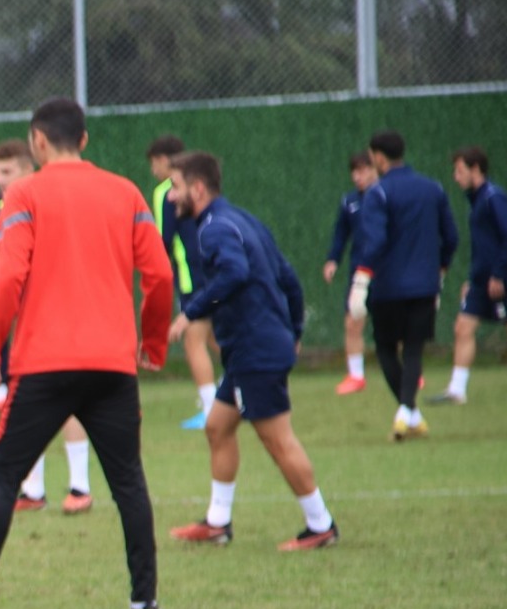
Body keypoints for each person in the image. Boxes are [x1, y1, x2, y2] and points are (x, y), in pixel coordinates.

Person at [0, 97, 172, 609]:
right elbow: (161, 277)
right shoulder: (126, 192)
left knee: (4, 475)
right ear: (83, 140)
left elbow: (7, 279)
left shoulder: (23, 194)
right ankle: (144, 604)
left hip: (44, 364)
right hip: (112, 365)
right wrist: (153, 344)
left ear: (37, 140)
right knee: (128, 479)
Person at [164, 152, 339, 552]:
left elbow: (235, 273)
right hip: (255, 348)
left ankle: (320, 524)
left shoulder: (213, 229)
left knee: (278, 439)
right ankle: (217, 522)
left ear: (198, 188)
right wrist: (293, 329)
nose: (171, 198)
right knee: (218, 427)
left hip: (255, 349)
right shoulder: (243, 220)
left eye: (175, 187)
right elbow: (288, 278)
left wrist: (189, 313)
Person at [0, 138, 94, 515]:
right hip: (27, 326)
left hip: (65, 318)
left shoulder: (51, 202)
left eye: (7, 172)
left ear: (29, 168)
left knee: (67, 404)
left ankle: (80, 486)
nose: (0, 180)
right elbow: (1, 276)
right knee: (23, 406)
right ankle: (32, 490)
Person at [348, 130, 459, 441]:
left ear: (379, 157)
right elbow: (450, 237)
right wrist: (440, 270)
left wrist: (361, 279)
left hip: (387, 287)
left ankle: (406, 410)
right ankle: (410, 412)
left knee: (385, 348)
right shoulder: (432, 188)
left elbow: (376, 241)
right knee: (413, 349)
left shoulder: (378, 193)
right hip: (425, 285)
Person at [429, 146, 507, 404]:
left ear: (476, 169)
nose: (455, 177)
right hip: (483, 283)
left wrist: (499, 275)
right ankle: (456, 390)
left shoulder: (495, 197)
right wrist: (473, 279)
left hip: (503, 282)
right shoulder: (477, 200)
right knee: (462, 327)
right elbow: (484, 247)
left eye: (459, 171)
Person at [146, 134, 215, 430]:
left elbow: (164, 238)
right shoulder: (201, 188)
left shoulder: (165, 191)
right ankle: (246, 388)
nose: (153, 170)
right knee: (216, 338)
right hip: (213, 270)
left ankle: (212, 409)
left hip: (191, 276)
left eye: (154, 163)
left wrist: (155, 269)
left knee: (193, 341)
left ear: (163, 160)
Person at [321, 152, 378, 395]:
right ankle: (356, 376)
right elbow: (340, 234)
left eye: (363, 170)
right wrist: (332, 260)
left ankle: (411, 373)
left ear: (376, 169)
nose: (358, 176)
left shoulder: (388, 196)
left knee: (395, 324)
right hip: (359, 272)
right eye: (354, 171)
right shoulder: (350, 201)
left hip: (387, 271)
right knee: (353, 322)